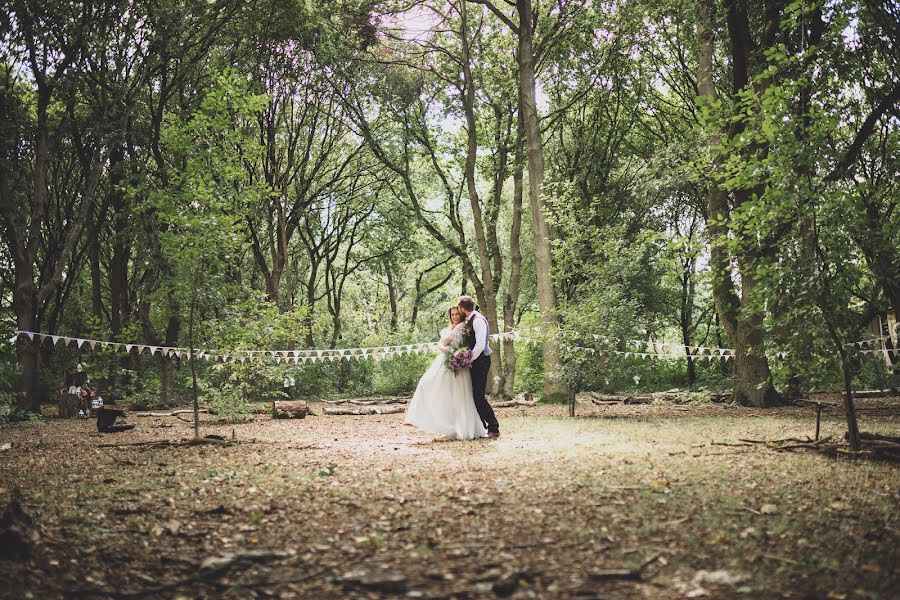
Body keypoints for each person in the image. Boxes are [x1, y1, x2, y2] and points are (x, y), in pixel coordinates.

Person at [404, 305, 487, 440]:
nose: (454, 317)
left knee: (457, 396)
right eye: (452, 314)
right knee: (428, 385)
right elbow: (441, 344)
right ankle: (425, 419)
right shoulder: (449, 328)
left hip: (457, 364)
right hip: (444, 361)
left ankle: (457, 428)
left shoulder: (463, 327)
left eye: (456, 314)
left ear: (461, 315)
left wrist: (455, 353)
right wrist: (446, 349)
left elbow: (454, 343)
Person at [456, 295, 500, 438]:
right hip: (476, 361)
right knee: (475, 395)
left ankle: (493, 427)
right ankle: (481, 426)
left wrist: (468, 359)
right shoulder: (471, 319)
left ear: (462, 308)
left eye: (459, 308)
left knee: (478, 396)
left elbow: (480, 345)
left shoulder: (478, 321)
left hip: (481, 361)